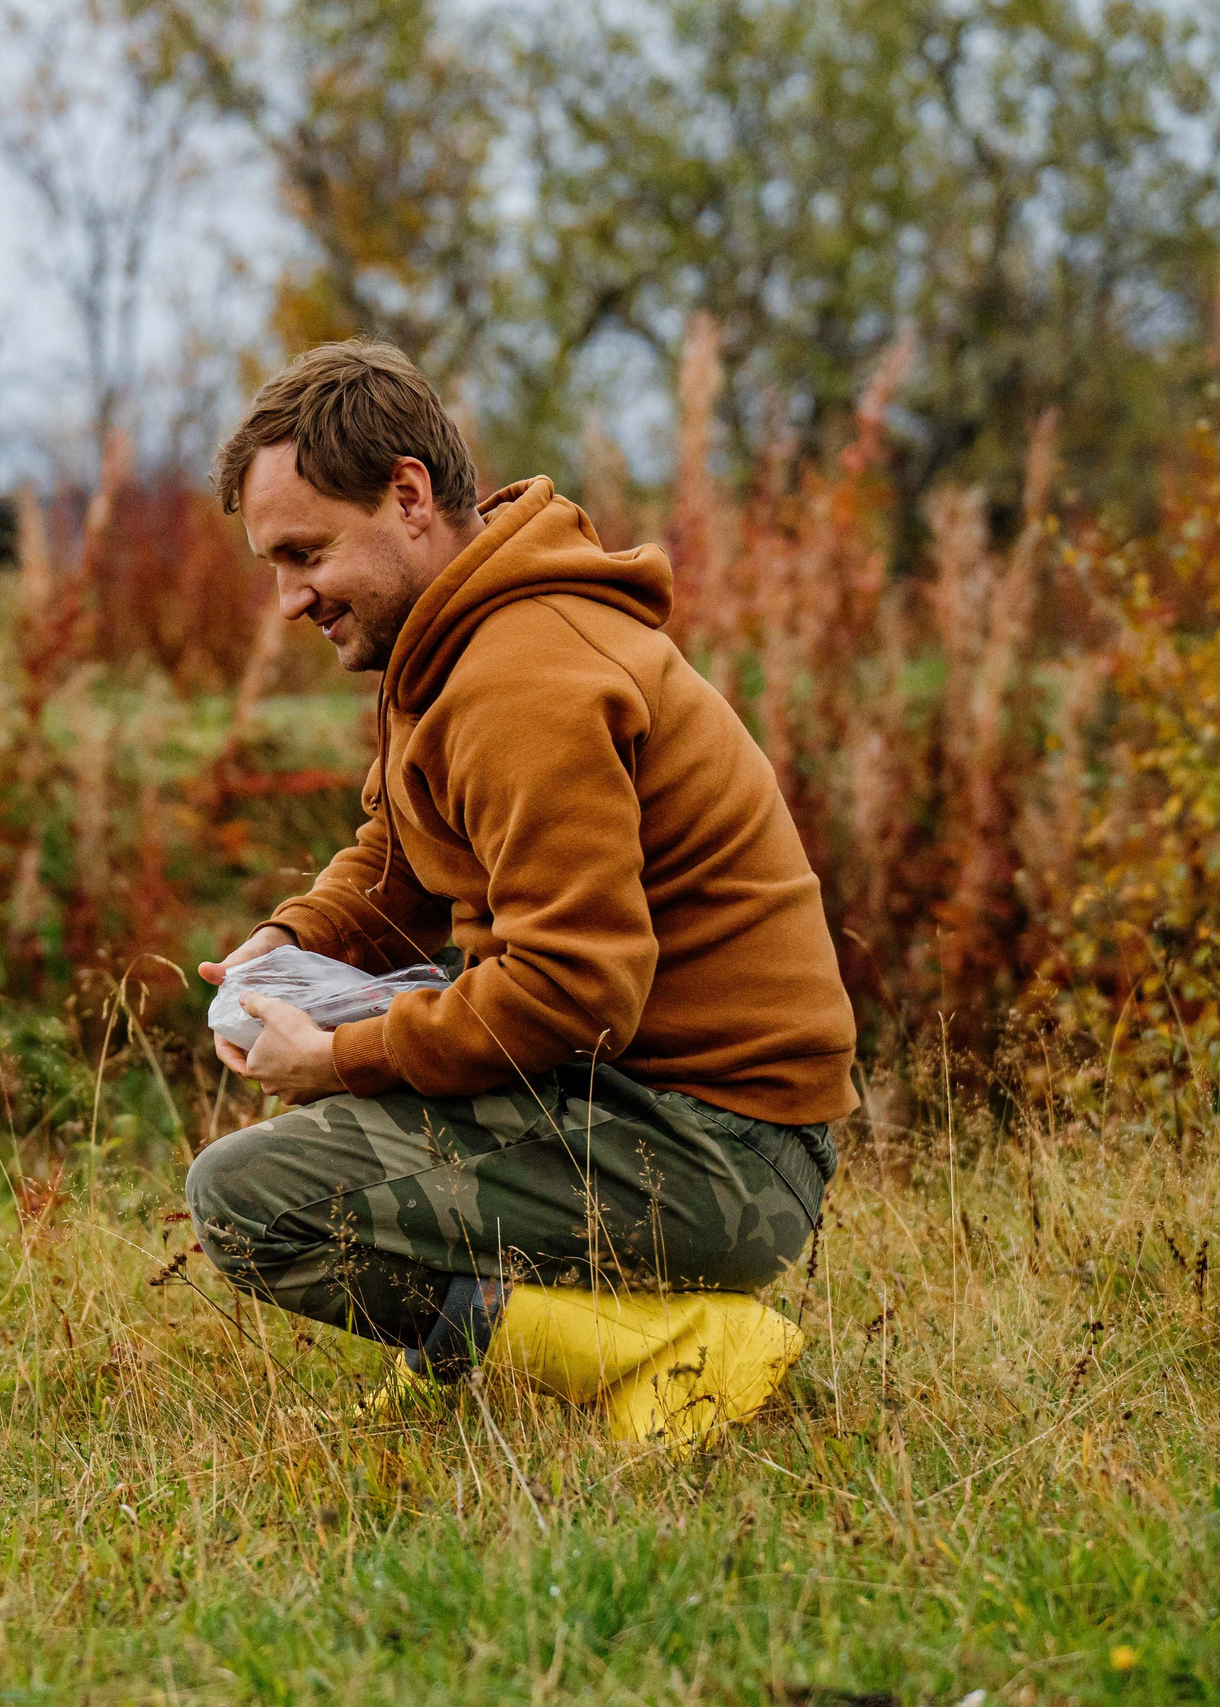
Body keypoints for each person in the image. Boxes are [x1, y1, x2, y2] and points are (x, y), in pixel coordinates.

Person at [187, 339, 854, 1448]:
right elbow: (398, 853)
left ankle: (657, 1347)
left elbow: (571, 990)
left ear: (407, 496)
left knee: (252, 1203)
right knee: (372, 1089)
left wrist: (339, 1056)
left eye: (302, 553)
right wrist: (291, 937)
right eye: (272, 563)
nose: (288, 597)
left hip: (719, 1154)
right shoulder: (463, 639)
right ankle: (499, 1344)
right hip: (655, 1115)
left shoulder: (520, 680)